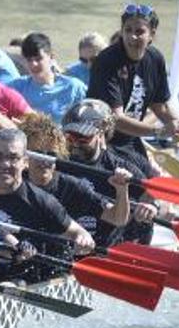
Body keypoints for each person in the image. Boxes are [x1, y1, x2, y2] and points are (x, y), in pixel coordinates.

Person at [0, 128, 95, 282]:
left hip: (25, 282)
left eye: (13, 158)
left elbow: (79, 233)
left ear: (25, 162)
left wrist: (83, 240)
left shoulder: (42, 201)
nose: (5, 164)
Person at [87, 3, 179, 173]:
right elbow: (115, 119)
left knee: (149, 179)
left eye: (139, 32)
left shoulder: (155, 59)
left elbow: (160, 107)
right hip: (100, 140)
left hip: (130, 139)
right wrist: (160, 131)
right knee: (139, 184)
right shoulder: (106, 61)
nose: (132, 37)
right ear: (122, 31)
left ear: (152, 34)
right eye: (128, 30)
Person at [18, 113, 132, 248]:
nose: (45, 160)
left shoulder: (72, 187)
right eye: (38, 153)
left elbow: (117, 219)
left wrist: (122, 190)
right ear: (25, 154)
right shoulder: (13, 181)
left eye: (51, 154)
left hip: (58, 255)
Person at [60, 99, 156, 244]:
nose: (76, 144)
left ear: (101, 134)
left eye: (83, 138)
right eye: (70, 137)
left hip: (104, 246)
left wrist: (149, 208)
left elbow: (150, 196)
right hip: (67, 243)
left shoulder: (121, 167)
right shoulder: (58, 163)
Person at [7, 32, 87, 120]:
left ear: (51, 57)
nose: (34, 64)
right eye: (29, 60)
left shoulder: (73, 88)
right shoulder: (16, 88)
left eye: (38, 59)